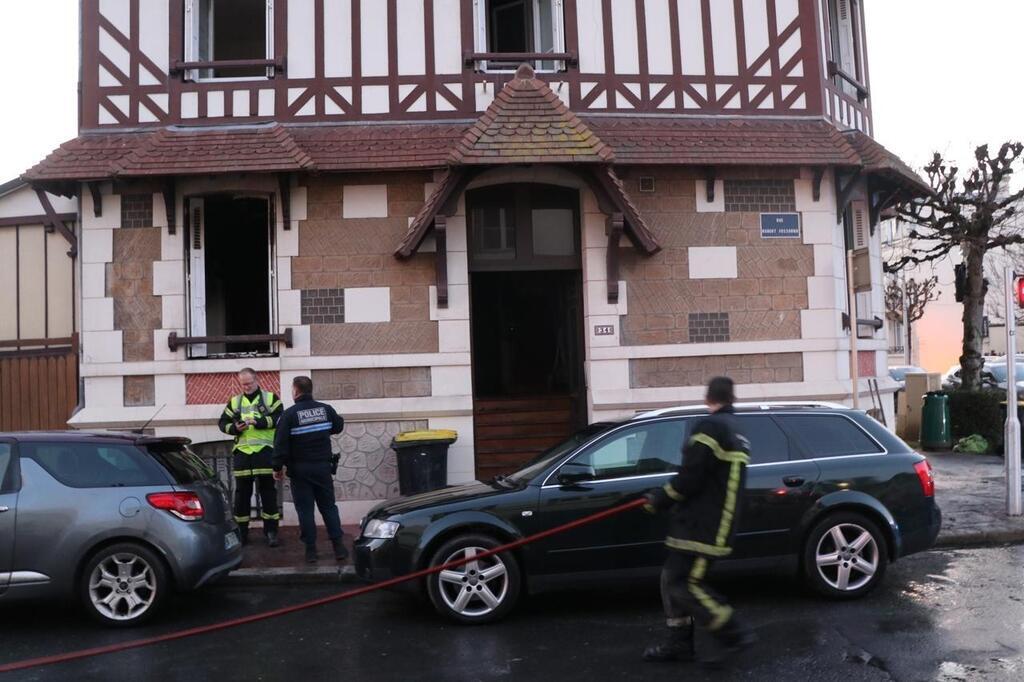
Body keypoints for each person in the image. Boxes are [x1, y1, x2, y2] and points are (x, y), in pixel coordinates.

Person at [642, 376, 756, 667]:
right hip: (709, 525)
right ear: (732, 398)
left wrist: (660, 499)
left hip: (701, 528)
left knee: (685, 583)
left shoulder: (711, 427)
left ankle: (733, 633)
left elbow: (691, 477)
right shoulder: (737, 431)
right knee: (671, 580)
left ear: (708, 398)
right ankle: (679, 643)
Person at [272, 375, 348, 564]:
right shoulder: (325, 409)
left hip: (300, 470)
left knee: (305, 510)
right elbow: (338, 426)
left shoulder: (289, 415)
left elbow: (280, 444)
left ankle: (311, 551)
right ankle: (339, 547)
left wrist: (276, 467)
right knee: (329, 507)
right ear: (310, 390)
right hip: (323, 468)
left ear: (295, 391)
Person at [218, 368, 284, 547]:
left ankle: (271, 532)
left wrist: (260, 422)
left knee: (268, 493)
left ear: (256, 380)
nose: (246, 387)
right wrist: (235, 428)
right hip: (243, 453)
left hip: (264, 452)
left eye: (249, 383)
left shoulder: (270, 398)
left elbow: (280, 419)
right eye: (243, 384)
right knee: (241, 496)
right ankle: (242, 533)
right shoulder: (235, 401)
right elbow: (222, 423)